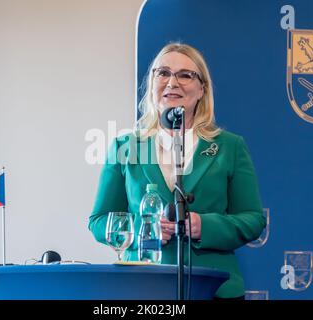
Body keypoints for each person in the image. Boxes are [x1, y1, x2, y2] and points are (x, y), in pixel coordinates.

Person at [88, 43, 266, 299]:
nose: (172, 82)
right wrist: (144, 228)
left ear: (202, 89)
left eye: (185, 75)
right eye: (163, 73)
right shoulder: (125, 147)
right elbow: (99, 220)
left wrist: (203, 225)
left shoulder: (230, 146)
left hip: (215, 289)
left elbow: (253, 219)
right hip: (142, 287)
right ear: (152, 84)